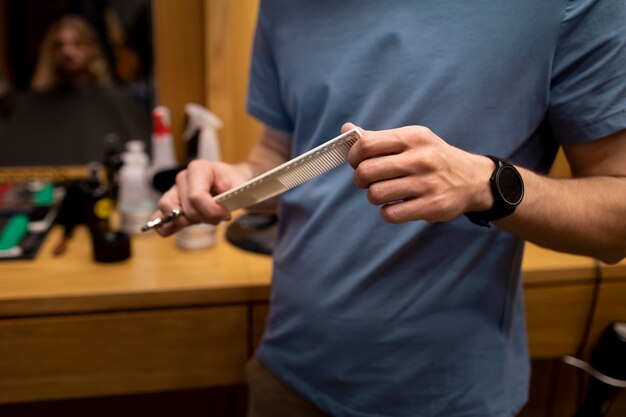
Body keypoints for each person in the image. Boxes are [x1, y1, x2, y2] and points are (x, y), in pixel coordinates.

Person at [153, 1, 626, 416]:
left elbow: (616, 222)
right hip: (286, 376)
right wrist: (235, 182)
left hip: (446, 397)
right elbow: (277, 154)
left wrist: (487, 184)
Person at [0, 15, 148, 166]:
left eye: (77, 44)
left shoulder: (115, 101)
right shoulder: (27, 106)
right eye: (59, 45)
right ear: (50, 53)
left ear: (91, 49)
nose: (68, 52)